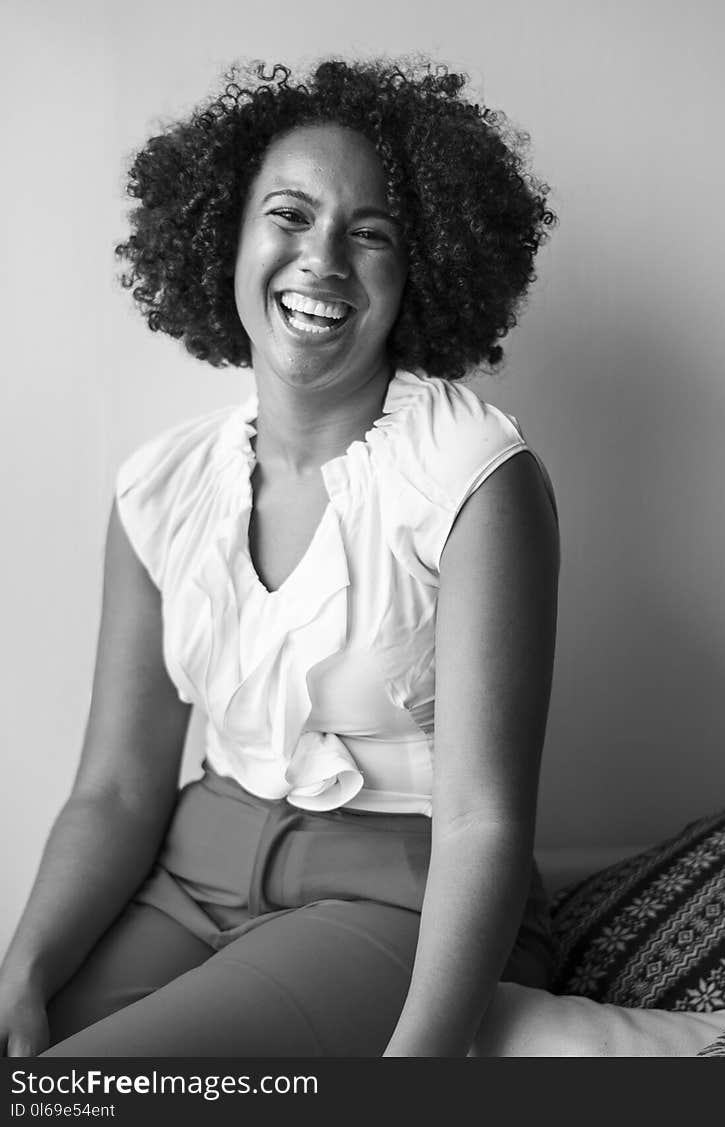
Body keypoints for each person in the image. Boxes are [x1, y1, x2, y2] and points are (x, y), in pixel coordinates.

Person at [0, 58, 559, 1058]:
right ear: (227, 233)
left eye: (371, 233)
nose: (322, 258)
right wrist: (22, 972)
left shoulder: (475, 476)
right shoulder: (158, 487)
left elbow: (481, 819)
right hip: (188, 867)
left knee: (78, 1094)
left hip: (395, 892)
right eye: (289, 214)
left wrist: (420, 1061)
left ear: (419, 268)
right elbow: (118, 787)